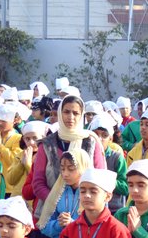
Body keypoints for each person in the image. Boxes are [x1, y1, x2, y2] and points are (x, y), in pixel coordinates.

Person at [30, 95, 107, 225]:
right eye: (66, 112)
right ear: (60, 113)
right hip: (51, 216)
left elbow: (100, 180)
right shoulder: (47, 144)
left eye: (75, 113)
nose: (70, 117)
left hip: (86, 213)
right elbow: (38, 183)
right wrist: (60, 204)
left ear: (81, 115)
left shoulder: (91, 142)